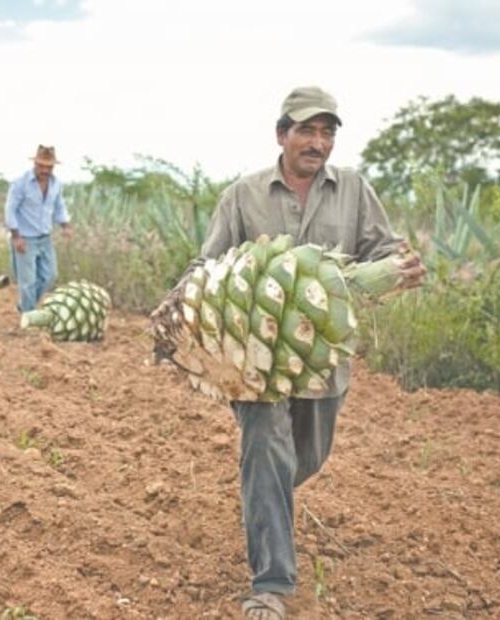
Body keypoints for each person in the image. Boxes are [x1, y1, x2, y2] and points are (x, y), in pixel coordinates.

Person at [154, 86, 426, 619]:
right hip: (254, 364)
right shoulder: (243, 195)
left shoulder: (353, 191)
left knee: (305, 458)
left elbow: (381, 248)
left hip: (323, 363)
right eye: (307, 130)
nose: (318, 142)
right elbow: (207, 264)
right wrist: (184, 308)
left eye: (327, 133)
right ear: (282, 135)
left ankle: (266, 501)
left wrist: (400, 267)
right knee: (266, 445)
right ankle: (271, 585)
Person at [4, 145, 72, 312]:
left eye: (48, 166)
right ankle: (27, 315)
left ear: (53, 167)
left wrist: (65, 225)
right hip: (25, 238)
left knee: (50, 276)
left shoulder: (56, 184)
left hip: (45, 238)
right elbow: (10, 209)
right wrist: (16, 236)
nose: (44, 170)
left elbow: (59, 206)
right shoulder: (21, 183)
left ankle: (25, 307)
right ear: (35, 163)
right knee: (28, 281)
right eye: (41, 165)